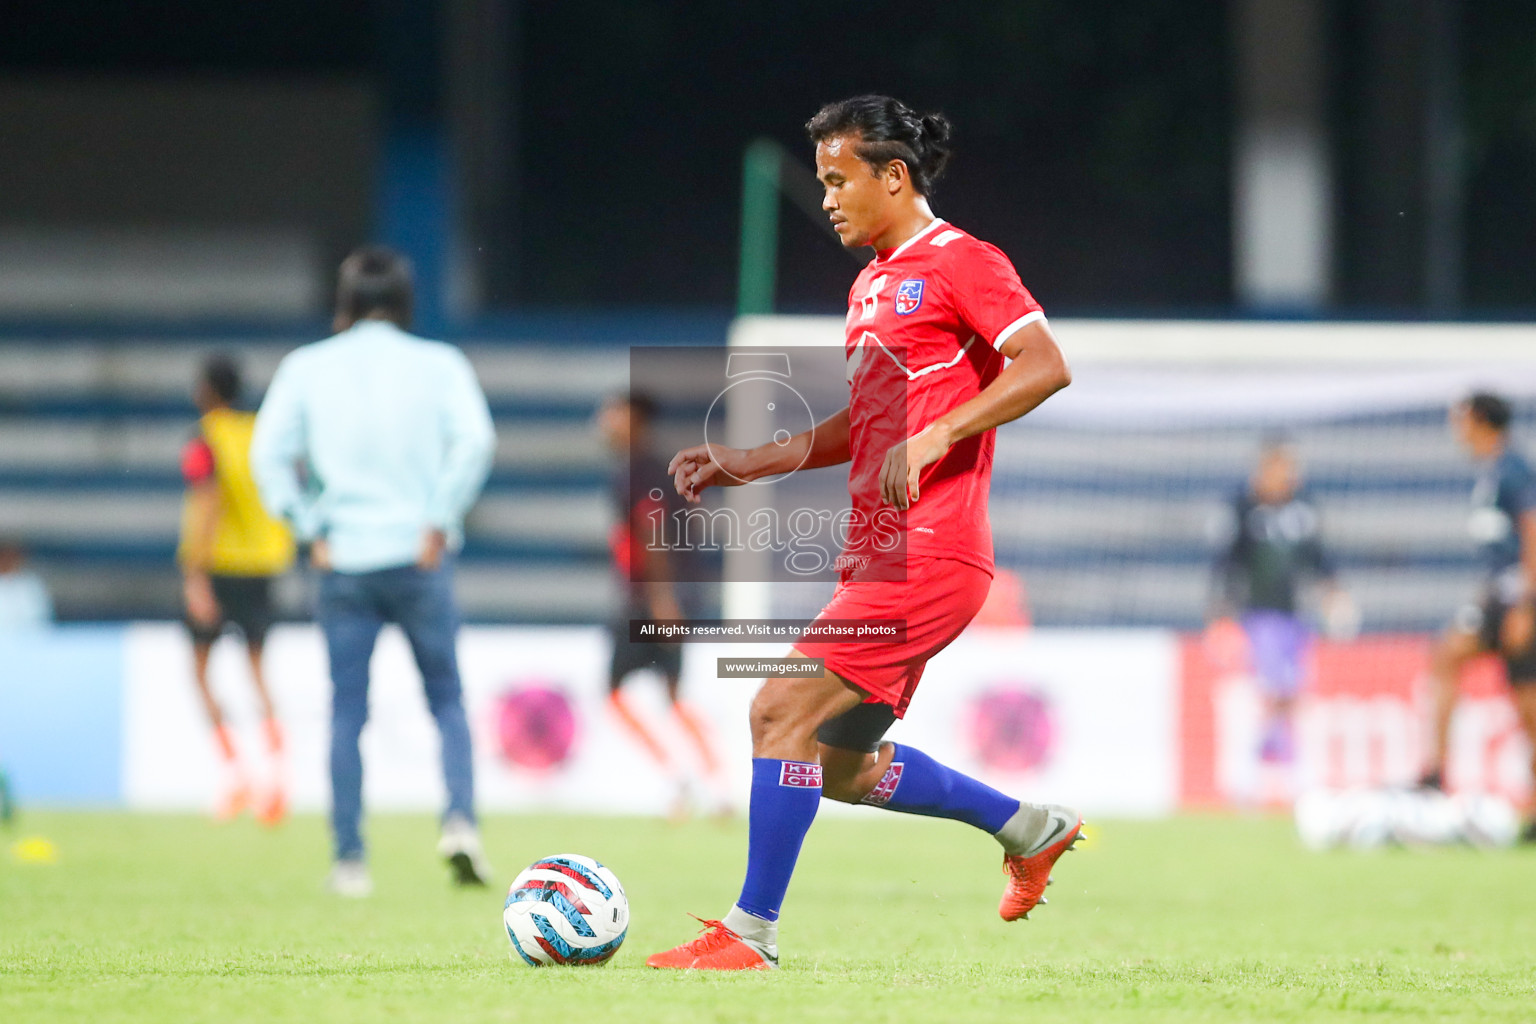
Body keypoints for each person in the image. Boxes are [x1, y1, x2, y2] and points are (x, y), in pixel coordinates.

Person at [648, 95, 1079, 971]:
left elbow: (1046, 366)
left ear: (894, 175)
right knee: (842, 767)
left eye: (841, 180)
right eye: (822, 182)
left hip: (932, 548)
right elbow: (878, 418)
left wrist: (943, 432)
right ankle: (1031, 828)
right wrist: (751, 460)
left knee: (778, 708)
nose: (832, 198)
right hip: (881, 552)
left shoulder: (963, 261)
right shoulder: (871, 285)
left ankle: (749, 935)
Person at [251, 246, 498, 895]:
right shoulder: (439, 364)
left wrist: (309, 525)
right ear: (405, 298)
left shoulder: (306, 367)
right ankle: (460, 823)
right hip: (420, 555)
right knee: (445, 697)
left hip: (345, 561)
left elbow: (267, 456)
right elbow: (475, 442)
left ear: (346, 299)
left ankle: (350, 859)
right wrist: (440, 518)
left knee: (346, 711)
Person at [596, 392, 726, 819]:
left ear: (634, 420)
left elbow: (653, 531)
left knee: (615, 693)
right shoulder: (647, 470)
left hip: (648, 598)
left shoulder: (638, 472)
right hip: (662, 594)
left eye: (613, 414)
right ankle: (711, 781)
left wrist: (661, 598)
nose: (604, 421)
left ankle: (686, 778)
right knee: (671, 693)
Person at [177, 355, 295, 824]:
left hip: (221, 565)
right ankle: (278, 779)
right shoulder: (258, 434)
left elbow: (208, 501)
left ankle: (236, 777)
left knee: (201, 672)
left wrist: (195, 575)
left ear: (206, 391)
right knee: (257, 671)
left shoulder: (205, 438)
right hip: (264, 564)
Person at [1209, 437, 1354, 800]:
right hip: (1258, 614)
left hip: (1295, 615)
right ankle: (1255, 774)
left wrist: (1333, 592)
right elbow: (1226, 564)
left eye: (1287, 469)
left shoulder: (1304, 509)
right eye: (1275, 469)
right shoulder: (1243, 510)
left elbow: (1319, 557)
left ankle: (1273, 768)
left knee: (1291, 693)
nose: (1282, 476)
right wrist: (1221, 614)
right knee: (1272, 691)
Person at [1420, 392, 1536, 842]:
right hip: (1496, 597)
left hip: (1519, 598)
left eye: (1462, 417)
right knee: (1446, 655)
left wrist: (1527, 603)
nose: (1457, 427)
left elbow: (1532, 530)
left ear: (1482, 420)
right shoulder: (1490, 470)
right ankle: (1435, 773)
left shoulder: (1514, 469)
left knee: (1528, 704)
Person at [0, 540, 52, 632]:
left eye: (12, 557)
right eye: (4, 557)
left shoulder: (29, 584)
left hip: (26, 639)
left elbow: (40, 617)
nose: (8, 561)